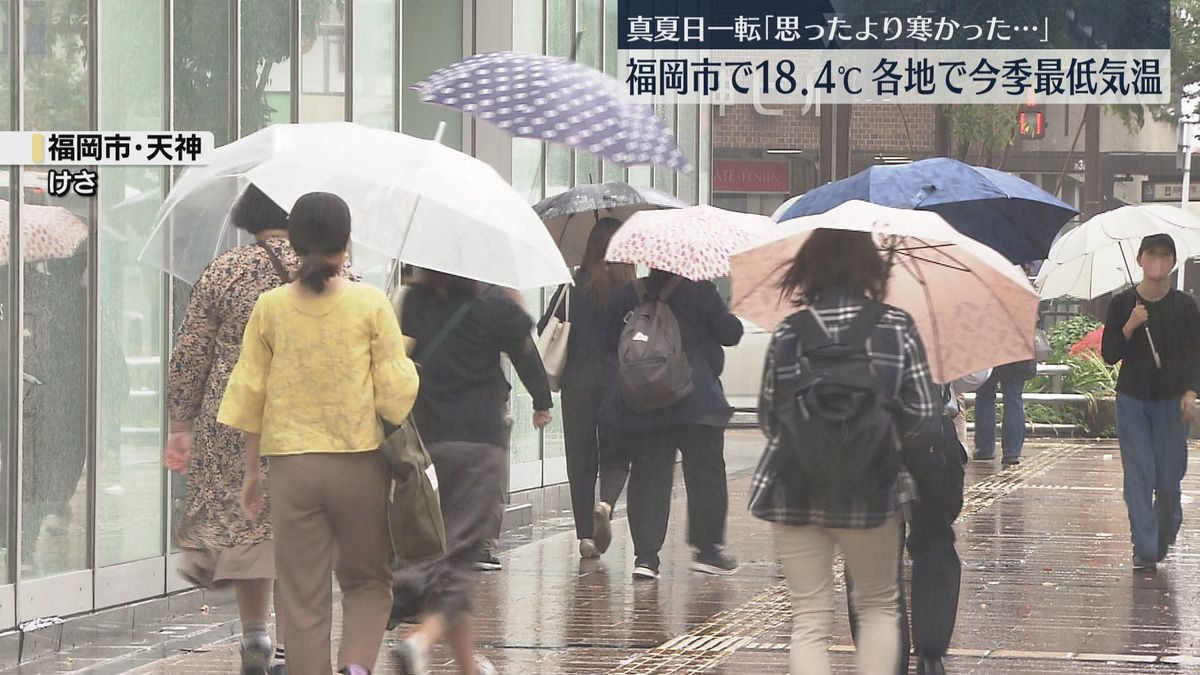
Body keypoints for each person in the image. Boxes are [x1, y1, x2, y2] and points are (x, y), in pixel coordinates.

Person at [220, 191, 419, 675]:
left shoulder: (270, 308)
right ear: (346, 242)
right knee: (368, 581)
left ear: (295, 239)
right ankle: (355, 667)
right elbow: (395, 396)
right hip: (360, 463)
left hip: (291, 467)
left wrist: (251, 474)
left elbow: (250, 391)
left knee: (302, 593)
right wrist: (407, 364)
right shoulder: (371, 304)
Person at [750, 230, 937, 675]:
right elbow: (925, 412)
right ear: (869, 267)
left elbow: (768, 417)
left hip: (794, 487)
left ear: (809, 269)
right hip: (871, 489)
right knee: (876, 606)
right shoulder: (895, 325)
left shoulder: (789, 333)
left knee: (809, 619)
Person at [165, 185, 300, 674]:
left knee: (249, 525)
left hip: (233, 416)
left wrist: (180, 422)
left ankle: (255, 637)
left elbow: (191, 352)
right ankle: (289, 646)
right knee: (296, 529)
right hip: (304, 417)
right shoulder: (330, 270)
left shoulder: (224, 269)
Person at [392, 270, 553, 675]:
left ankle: (468, 666)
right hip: (479, 444)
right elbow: (526, 355)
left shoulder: (413, 302)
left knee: (438, 546)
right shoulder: (496, 306)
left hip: (428, 441)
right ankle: (422, 641)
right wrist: (541, 400)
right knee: (460, 556)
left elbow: (398, 361)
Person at [602, 268, 744, 580]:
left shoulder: (629, 293)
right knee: (705, 471)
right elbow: (730, 333)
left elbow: (608, 342)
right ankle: (707, 550)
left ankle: (646, 556)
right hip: (696, 399)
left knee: (649, 474)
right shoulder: (700, 290)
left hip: (645, 402)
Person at [1101, 233, 1200, 572]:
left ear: (1173, 262)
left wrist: (1190, 392)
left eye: (1165, 255)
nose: (1157, 261)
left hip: (1172, 402)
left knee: (1169, 480)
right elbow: (1110, 354)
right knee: (1139, 476)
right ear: (1140, 259)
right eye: (1151, 254)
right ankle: (1144, 547)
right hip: (1132, 401)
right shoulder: (1122, 303)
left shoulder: (1185, 306)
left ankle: (1166, 525)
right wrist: (1131, 324)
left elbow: (1194, 354)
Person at [538, 217, 634, 559]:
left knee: (581, 460)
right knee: (617, 454)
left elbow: (544, 326)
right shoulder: (630, 290)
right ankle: (606, 504)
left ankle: (585, 537)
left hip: (577, 384)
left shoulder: (572, 285)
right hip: (618, 384)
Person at [971, 358, 1034, 465]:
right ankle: (1011, 452)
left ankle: (984, 448)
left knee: (984, 397)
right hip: (1016, 353)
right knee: (1013, 397)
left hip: (987, 351)